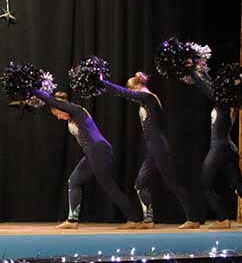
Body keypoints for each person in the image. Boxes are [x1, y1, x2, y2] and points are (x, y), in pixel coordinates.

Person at [33, 89, 142, 229]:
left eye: (57, 114)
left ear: (61, 108)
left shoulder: (76, 110)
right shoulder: (72, 115)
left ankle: (134, 219)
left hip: (99, 150)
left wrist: (33, 89)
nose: (58, 118)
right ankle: (72, 221)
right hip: (92, 153)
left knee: (108, 185)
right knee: (74, 181)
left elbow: (51, 101)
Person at [101, 73, 199, 229]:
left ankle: (193, 218)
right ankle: (148, 220)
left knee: (172, 183)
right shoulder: (145, 100)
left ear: (137, 87)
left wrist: (103, 82)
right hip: (152, 148)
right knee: (140, 184)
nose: (131, 96)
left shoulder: (148, 97)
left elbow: (123, 92)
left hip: (158, 146)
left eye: (132, 91)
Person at [190, 68, 242, 228]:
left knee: (204, 184)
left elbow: (205, 88)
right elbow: (213, 86)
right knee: (238, 186)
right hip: (229, 148)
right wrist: (204, 72)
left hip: (219, 147)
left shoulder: (222, 102)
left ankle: (223, 219)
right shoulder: (227, 102)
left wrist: (191, 71)